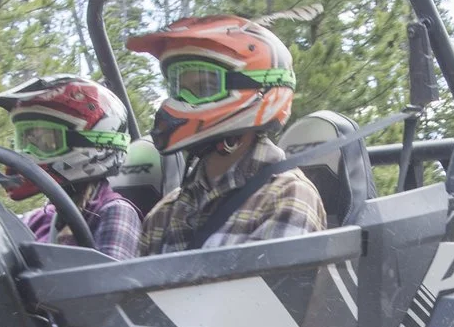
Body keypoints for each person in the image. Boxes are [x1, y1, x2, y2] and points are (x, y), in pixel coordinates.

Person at [125, 15, 327, 253]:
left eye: (202, 88)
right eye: (178, 89)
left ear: (256, 89)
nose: (180, 103)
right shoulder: (165, 213)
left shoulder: (286, 197)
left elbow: (270, 290)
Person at [0, 75, 143, 260]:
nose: (27, 154)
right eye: (25, 140)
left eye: (45, 140)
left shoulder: (114, 212)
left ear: (94, 144)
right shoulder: (39, 219)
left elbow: (112, 286)